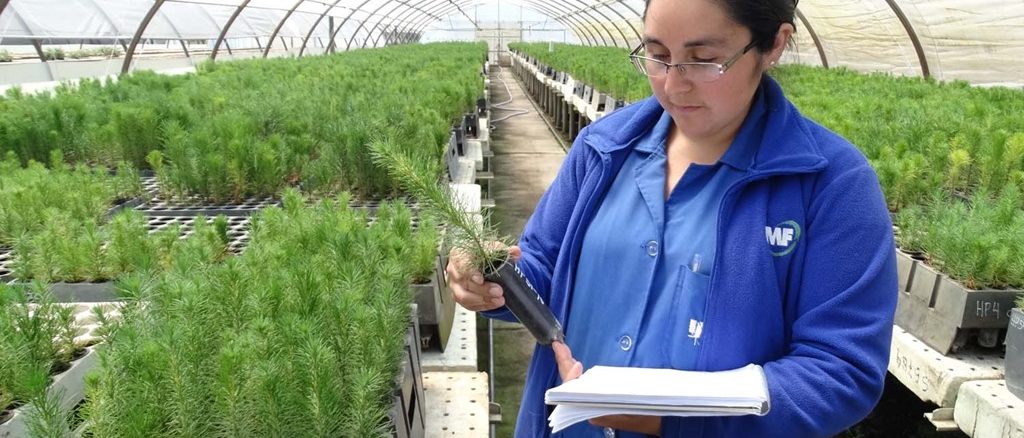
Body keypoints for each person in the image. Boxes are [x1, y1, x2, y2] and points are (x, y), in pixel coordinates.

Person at [447, 0, 898, 436]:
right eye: (658, 55)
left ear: (773, 44)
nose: (673, 84)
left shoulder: (830, 184)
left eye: (703, 60)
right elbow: (544, 268)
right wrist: (492, 278)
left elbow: (841, 370)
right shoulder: (602, 149)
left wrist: (671, 419)